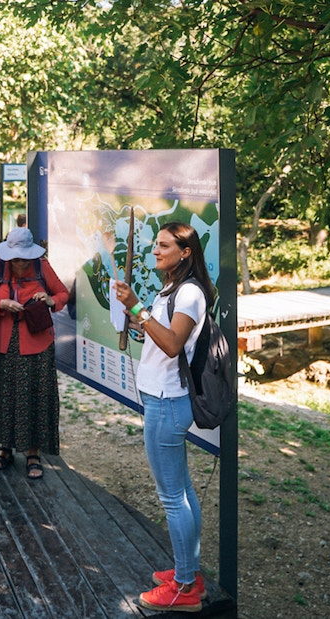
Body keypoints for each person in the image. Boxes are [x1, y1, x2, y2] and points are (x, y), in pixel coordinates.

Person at [114, 222, 213, 613]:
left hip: (169, 401)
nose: (156, 251)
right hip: (161, 398)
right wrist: (138, 318)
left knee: (173, 498)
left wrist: (137, 306)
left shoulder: (189, 292)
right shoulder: (173, 287)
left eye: (164, 246)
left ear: (185, 252)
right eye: (155, 244)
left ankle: (185, 588)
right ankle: (189, 573)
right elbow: (161, 335)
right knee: (183, 492)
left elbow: (173, 345)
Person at [0, 227, 68, 479]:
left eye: (23, 258)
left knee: (35, 395)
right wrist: (1, 304)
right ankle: (4, 449)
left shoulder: (42, 267)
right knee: (5, 394)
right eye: (14, 258)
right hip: (5, 343)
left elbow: (62, 293)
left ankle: (33, 452)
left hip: (38, 342)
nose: (18, 263)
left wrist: (50, 300)